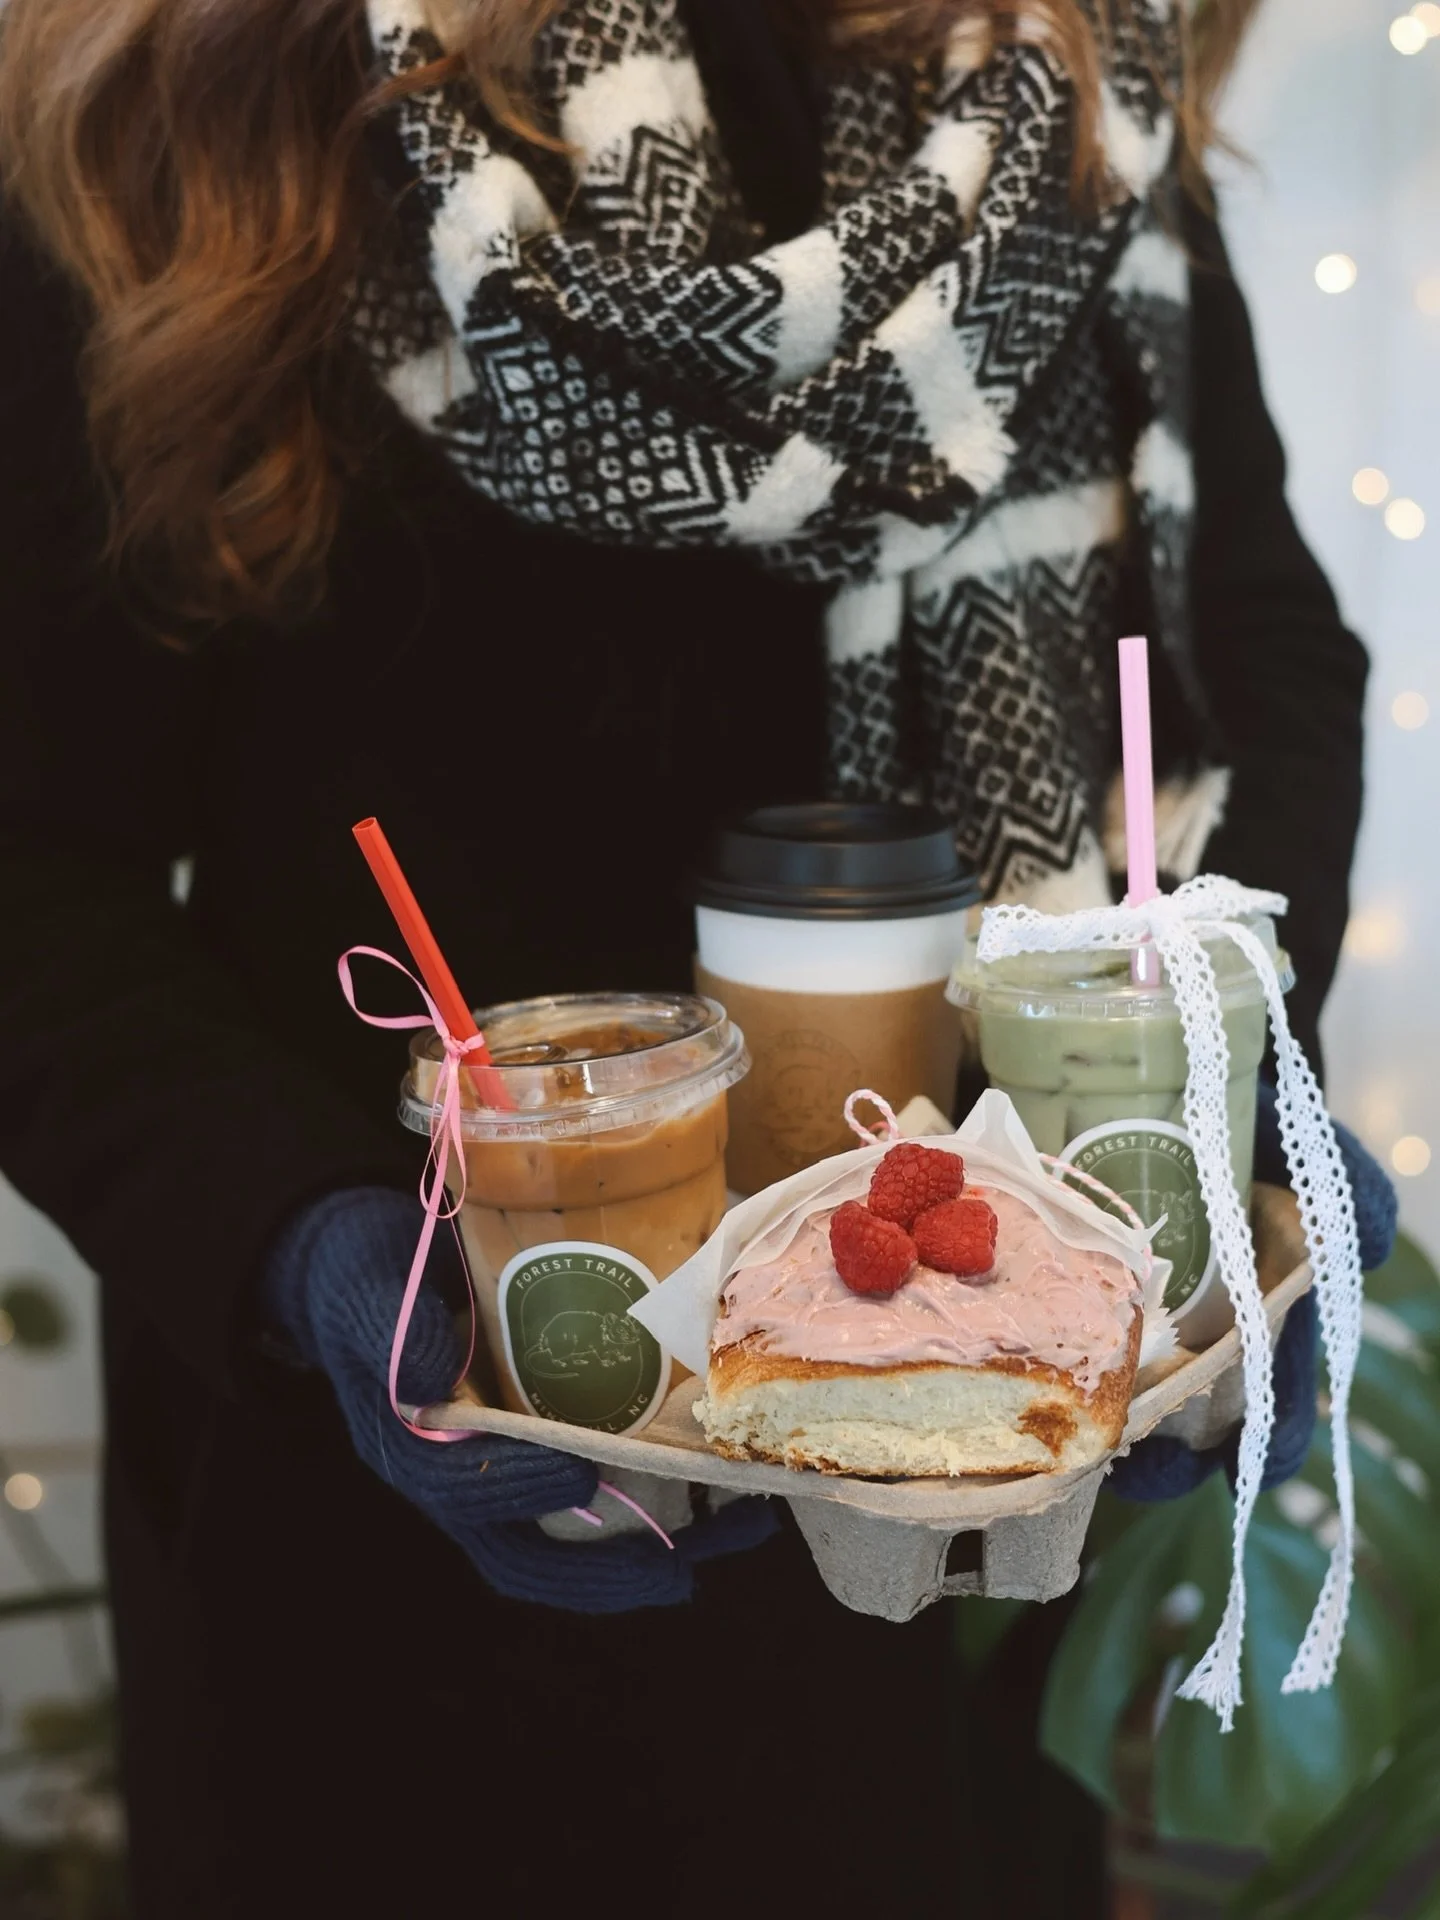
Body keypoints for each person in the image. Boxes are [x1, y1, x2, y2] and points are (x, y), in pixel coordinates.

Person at [0, 1, 1391, 1913]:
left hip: (965, 1510)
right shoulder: (206, 95)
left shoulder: (1057, 91)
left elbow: (1270, 653)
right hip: (402, 1591)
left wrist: (1239, 1082)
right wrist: (303, 1248)